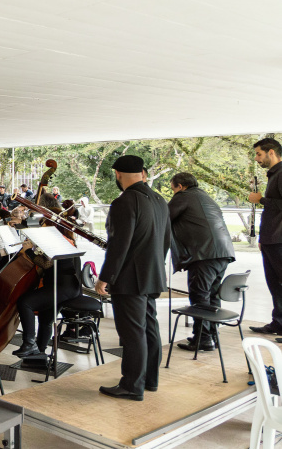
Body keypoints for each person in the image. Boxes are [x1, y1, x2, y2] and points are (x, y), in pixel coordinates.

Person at [95, 155, 171, 401]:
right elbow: (166, 240)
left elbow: (119, 245)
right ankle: (150, 380)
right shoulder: (159, 200)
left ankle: (131, 385)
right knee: (149, 327)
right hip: (153, 274)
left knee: (132, 333)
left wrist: (105, 277)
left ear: (117, 174)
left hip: (130, 279)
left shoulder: (125, 201)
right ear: (143, 173)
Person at [166, 172, 235, 351]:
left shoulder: (184, 197)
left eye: (173, 189)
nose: (174, 193)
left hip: (205, 253)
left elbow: (163, 219)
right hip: (223, 252)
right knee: (212, 295)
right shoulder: (205, 197)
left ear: (180, 186)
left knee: (199, 296)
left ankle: (203, 339)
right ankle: (211, 335)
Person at [12, 195, 83, 358]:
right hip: (65, 285)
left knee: (25, 302)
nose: (41, 225)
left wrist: (29, 251)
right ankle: (39, 353)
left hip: (63, 286)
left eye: (43, 222)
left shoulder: (60, 240)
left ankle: (29, 344)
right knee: (45, 319)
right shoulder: (66, 238)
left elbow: (47, 264)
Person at [248, 137, 282, 335]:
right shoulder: (274, 175)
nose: (256, 158)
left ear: (271, 152)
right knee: (274, 284)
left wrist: (261, 199)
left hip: (279, 240)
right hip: (271, 239)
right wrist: (262, 238)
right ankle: (278, 323)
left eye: (258, 154)